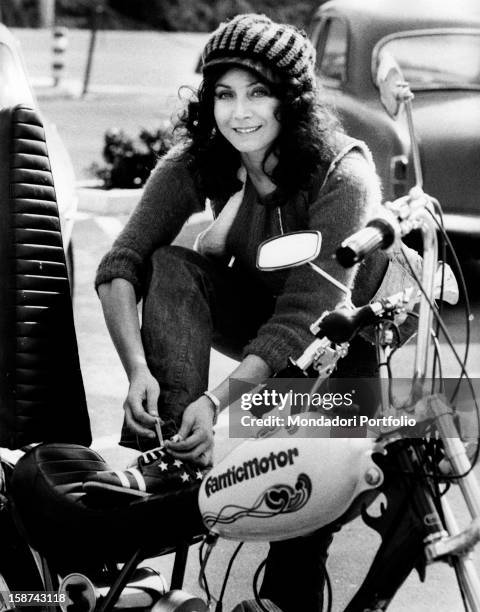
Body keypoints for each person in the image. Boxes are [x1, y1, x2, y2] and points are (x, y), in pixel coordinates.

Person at [95, 13, 386, 611]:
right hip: (260, 316)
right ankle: (175, 456)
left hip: (346, 334)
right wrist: (137, 374)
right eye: (224, 94)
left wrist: (221, 403)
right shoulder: (204, 157)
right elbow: (119, 264)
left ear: (293, 101)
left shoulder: (343, 173)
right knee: (171, 265)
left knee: (306, 492)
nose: (239, 112)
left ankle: (285, 596)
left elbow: (305, 315)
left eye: (259, 92)